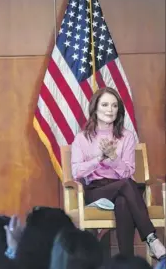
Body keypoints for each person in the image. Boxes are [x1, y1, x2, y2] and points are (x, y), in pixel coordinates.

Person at [71, 87, 166, 260]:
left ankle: (126, 261)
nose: (110, 110)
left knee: (123, 201)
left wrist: (114, 157)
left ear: (119, 110)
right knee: (127, 185)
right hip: (97, 191)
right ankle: (151, 238)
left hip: (123, 189)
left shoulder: (127, 137)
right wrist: (99, 158)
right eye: (105, 105)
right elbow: (76, 171)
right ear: (95, 108)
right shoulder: (82, 138)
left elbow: (128, 171)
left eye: (114, 106)